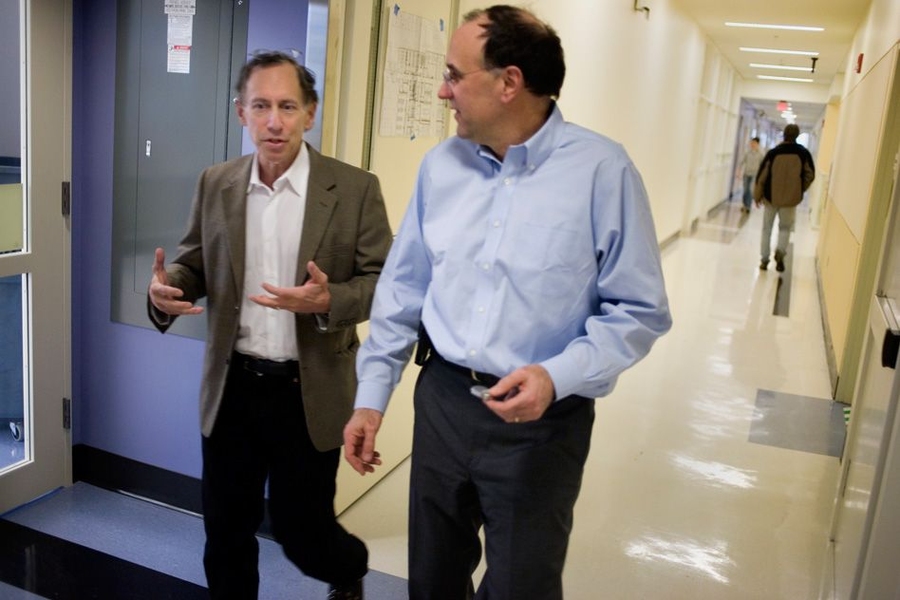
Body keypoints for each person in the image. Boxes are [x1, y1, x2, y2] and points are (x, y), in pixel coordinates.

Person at [342, 6, 672, 599]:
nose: (443, 91)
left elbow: (639, 309)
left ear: (508, 82)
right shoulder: (441, 167)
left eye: (453, 75)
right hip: (442, 402)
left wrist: (555, 376)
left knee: (522, 586)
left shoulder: (602, 171)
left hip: (541, 423)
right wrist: (372, 397)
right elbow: (403, 289)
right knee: (433, 581)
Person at [147, 51, 392, 600]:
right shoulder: (217, 183)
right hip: (232, 388)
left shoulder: (354, 190)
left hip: (309, 392)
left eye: (286, 106)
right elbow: (193, 264)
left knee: (302, 533)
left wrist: (332, 299)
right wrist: (170, 290)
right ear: (241, 113)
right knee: (225, 532)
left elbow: (387, 282)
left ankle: (347, 567)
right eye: (261, 106)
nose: (274, 121)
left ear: (310, 112)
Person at [753, 123, 815, 272]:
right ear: (797, 135)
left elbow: (762, 176)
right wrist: (799, 190)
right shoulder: (803, 153)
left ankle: (764, 260)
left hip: (770, 198)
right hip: (790, 201)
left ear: (784, 135)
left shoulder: (774, 153)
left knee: (767, 229)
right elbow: (810, 175)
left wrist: (757, 196)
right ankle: (780, 252)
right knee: (785, 228)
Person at [739, 136, 763, 212]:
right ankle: (744, 204)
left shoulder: (761, 154)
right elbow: (741, 162)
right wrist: (738, 171)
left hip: (755, 175)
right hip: (746, 174)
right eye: (751, 143)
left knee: (750, 189)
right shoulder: (747, 152)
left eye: (754, 143)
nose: (752, 144)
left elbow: (763, 165)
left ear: (757, 144)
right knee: (745, 190)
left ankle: (748, 206)